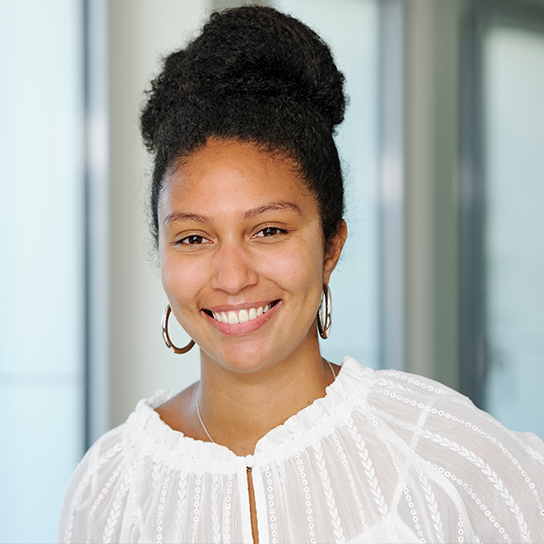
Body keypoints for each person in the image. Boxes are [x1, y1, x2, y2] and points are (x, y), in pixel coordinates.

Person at [58, 6, 544, 544]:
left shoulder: (439, 454)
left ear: (331, 245)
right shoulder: (109, 487)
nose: (232, 277)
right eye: (193, 238)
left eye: (268, 230)